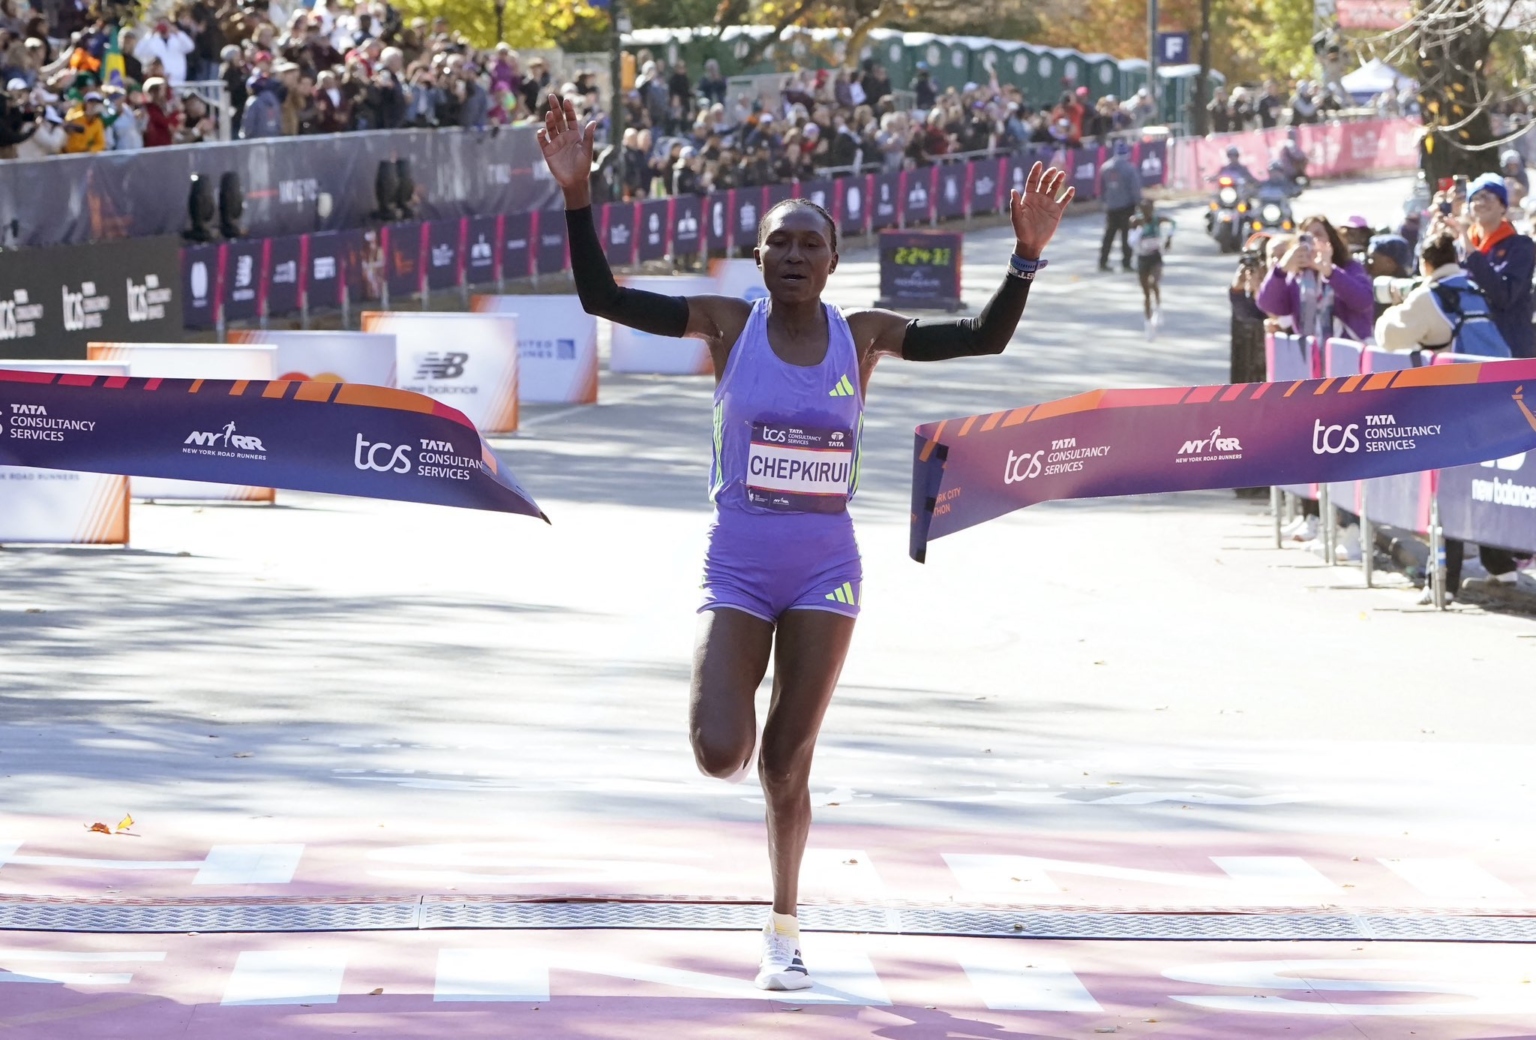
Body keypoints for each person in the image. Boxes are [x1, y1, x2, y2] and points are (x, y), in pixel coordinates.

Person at [537, 92, 1073, 992]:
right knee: (720, 751)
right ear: (758, 259)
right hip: (740, 558)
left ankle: (783, 931)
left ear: (833, 262)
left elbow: (981, 338)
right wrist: (577, 195)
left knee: (787, 764)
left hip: (825, 565)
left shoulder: (861, 338)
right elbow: (602, 295)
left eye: (808, 244)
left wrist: (1025, 256)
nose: (792, 256)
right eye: (777, 243)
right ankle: (738, 700)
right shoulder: (726, 325)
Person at [1257, 214, 1374, 341]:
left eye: (1318, 234)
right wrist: (1281, 269)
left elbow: (1364, 302)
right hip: (1311, 355)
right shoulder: (1296, 278)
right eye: (1304, 237)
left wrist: (1330, 272)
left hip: (1348, 353)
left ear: (1331, 241)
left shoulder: (1349, 267)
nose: (1311, 241)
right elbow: (1269, 305)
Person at [1460, 172, 1535, 358]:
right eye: (1475, 197)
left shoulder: (1520, 246)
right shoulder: (1460, 245)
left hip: (1511, 345)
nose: (1480, 202)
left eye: (1487, 196)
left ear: (1503, 206)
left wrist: (1472, 254)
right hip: (1470, 346)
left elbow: (1504, 295)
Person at [1130, 198, 1174, 336]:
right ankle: (1148, 323)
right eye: (1143, 210)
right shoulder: (1135, 221)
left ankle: (1158, 307)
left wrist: (1169, 239)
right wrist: (1140, 229)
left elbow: (1173, 223)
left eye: (1149, 209)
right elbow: (1131, 241)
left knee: (1153, 282)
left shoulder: (1158, 220)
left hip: (1155, 257)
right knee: (1146, 293)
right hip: (1142, 258)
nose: (1146, 212)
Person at [1098, 139, 1141, 273]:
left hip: (1111, 207)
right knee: (1126, 236)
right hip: (1127, 206)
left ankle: (1103, 262)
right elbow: (1135, 189)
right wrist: (1139, 203)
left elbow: (1101, 188)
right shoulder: (1129, 169)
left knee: (1109, 235)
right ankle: (1126, 263)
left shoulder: (1105, 167)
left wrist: (1104, 202)